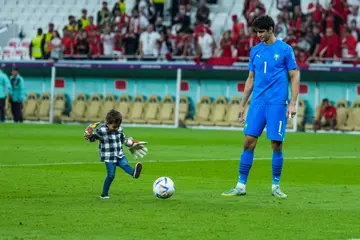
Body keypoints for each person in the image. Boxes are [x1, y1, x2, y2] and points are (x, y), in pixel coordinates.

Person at [222, 15, 299, 198]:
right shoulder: (255, 51)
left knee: (276, 144)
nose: (258, 35)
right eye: (256, 32)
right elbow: (250, 79)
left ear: (271, 29)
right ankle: (241, 185)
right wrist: (242, 104)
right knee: (248, 142)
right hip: (257, 103)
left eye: (262, 31)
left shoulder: (285, 50)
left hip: (277, 103)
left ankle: (276, 186)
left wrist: (293, 103)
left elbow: (294, 75)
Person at [84, 109, 148, 199]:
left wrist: (133, 144)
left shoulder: (120, 129)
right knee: (111, 175)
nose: (116, 128)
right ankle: (104, 194)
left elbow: (123, 140)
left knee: (124, 164)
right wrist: (88, 134)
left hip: (119, 154)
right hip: (109, 157)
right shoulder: (102, 130)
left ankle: (134, 173)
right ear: (107, 122)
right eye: (114, 127)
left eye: (118, 126)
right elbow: (93, 138)